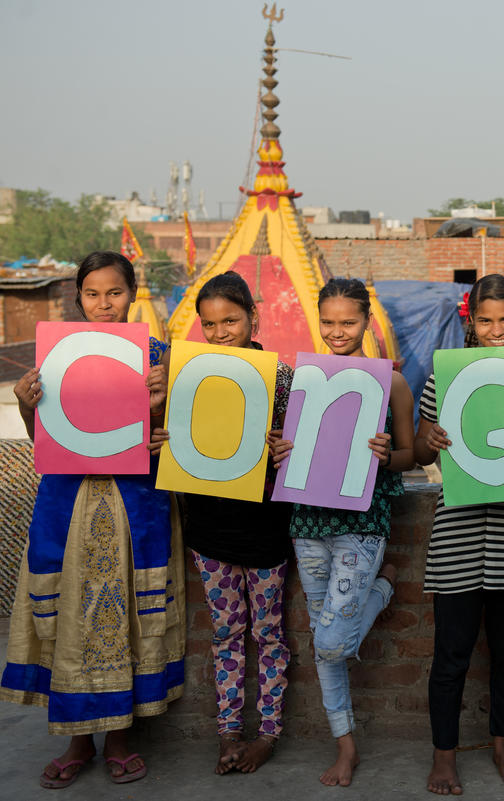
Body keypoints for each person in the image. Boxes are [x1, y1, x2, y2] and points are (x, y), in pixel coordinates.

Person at [1, 250, 184, 788]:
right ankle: (79, 741)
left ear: (133, 293)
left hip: (137, 505)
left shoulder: (160, 359)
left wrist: (161, 420)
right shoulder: (55, 359)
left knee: (126, 612)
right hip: (69, 504)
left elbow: (181, 445)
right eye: (92, 294)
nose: (104, 304)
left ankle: (122, 739)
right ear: (77, 297)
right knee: (72, 619)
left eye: (115, 292)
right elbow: (45, 443)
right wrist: (26, 405)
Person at [415, 274, 504, 795]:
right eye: (485, 320)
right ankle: (444, 755)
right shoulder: (443, 380)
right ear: (470, 324)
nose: (497, 329)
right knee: (450, 654)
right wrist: (428, 438)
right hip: (457, 537)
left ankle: (503, 742)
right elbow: (419, 452)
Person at [268, 277, 415, 786]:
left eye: (347, 322)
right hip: (307, 519)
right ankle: (345, 746)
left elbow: (411, 455)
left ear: (366, 323)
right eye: (327, 322)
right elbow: (286, 446)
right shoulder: (301, 380)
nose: (337, 331)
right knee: (321, 638)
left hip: (362, 522)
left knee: (331, 641)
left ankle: (382, 586)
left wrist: (386, 456)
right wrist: (277, 450)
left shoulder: (390, 382)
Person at [177, 271, 293, 775]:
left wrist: (284, 447)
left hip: (265, 527)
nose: (221, 331)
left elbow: (304, 452)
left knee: (268, 634)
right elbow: (180, 443)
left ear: (253, 318)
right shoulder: (189, 374)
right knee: (226, 634)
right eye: (210, 324)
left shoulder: (281, 378)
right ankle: (228, 731)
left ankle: (267, 734)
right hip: (208, 526)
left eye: (231, 320)